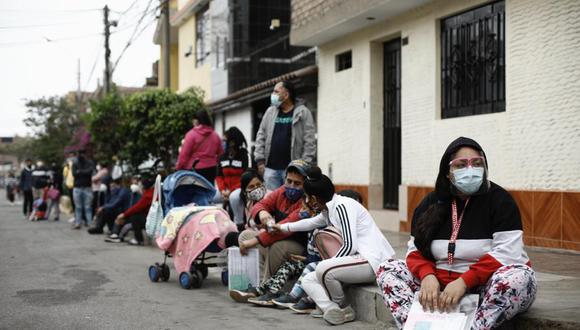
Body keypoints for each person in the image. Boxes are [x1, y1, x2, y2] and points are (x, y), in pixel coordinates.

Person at [375, 137, 537, 330]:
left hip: (485, 287)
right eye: (461, 165)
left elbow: (508, 252)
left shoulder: (500, 201)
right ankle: (415, 326)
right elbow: (415, 251)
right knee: (388, 269)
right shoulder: (430, 204)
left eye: (477, 163)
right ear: (447, 173)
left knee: (517, 278)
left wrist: (464, 281)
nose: (470, 170)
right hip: (438, 288)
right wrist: (427, 276)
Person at [272, 166, 396, 326]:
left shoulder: (342, 206)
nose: (307, 202)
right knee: (308, 279)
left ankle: (342, 306)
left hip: (372, 262)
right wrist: (282, 227)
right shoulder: (329, 210)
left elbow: (350, 245)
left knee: (322, 269)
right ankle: (331, 308)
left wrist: (329, 266)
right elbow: (309, 223)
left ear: (315, 198)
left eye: (308, 198)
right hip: (357, 262)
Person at [238, 159, 310, 281]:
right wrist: (263, 213)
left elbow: (284, 228)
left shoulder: (307, 202)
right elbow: (261, 204)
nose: (291, 186)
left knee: (277, 246)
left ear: (306, 184)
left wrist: (255, 241)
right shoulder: (281, 191)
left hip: (299, 245)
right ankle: (255, 281)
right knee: (245, 235)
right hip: (276, 237)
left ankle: (267, 288)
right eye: (289, 181)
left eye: (297, 183)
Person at [254, 81, 316, 191]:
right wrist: (260, 162)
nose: (272, 94)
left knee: (292, 202)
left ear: (286, 95)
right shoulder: (270, 112)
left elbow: (309, 142)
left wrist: (303, 166)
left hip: (293, 171)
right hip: (270, 169)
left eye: (276, 91)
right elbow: (261, 135)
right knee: (272, 202)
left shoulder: (303, 113)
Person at [105, 173, 154, 245]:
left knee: (133, 217)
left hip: (147, 218)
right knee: (127, 216)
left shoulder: (147, 195)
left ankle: (137, 239)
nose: (137, 184)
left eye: (139, 183)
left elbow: (137, 207)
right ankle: (116, 235)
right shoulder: (142, 193)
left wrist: (124, 215)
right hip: (140, 215)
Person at [175, 109, 223, 183]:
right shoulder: (215, 135)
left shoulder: (191, 135)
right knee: (208, 192)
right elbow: (220, 152)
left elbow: (184, 154)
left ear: (197, 121)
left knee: (195, 192)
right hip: (211, 169)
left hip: (195, 169)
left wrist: (178, 168)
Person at [216, 127, 249, 209]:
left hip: (239, 189)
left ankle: (239, 221)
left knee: (234, 197)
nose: (222, 143)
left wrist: (231, 190)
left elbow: (247, 177)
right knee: (208, 197)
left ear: (232, 142)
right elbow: (218, 176)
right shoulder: (222, 157)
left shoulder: (244, 156)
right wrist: (222, 190)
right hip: (225, 190)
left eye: (224, 140)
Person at [72, 149, 95, 229]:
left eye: (82, 153)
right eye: (80, 153)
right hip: (78, 187)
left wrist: (80, 172)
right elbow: (74, 174)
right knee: (78, 207)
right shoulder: (75, 163)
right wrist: (84, 172)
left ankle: (89, 223)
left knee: (87, 207)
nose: (81, 155)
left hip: (86, 187)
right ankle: (78, 223)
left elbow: (90, 172)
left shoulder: (89, 163)